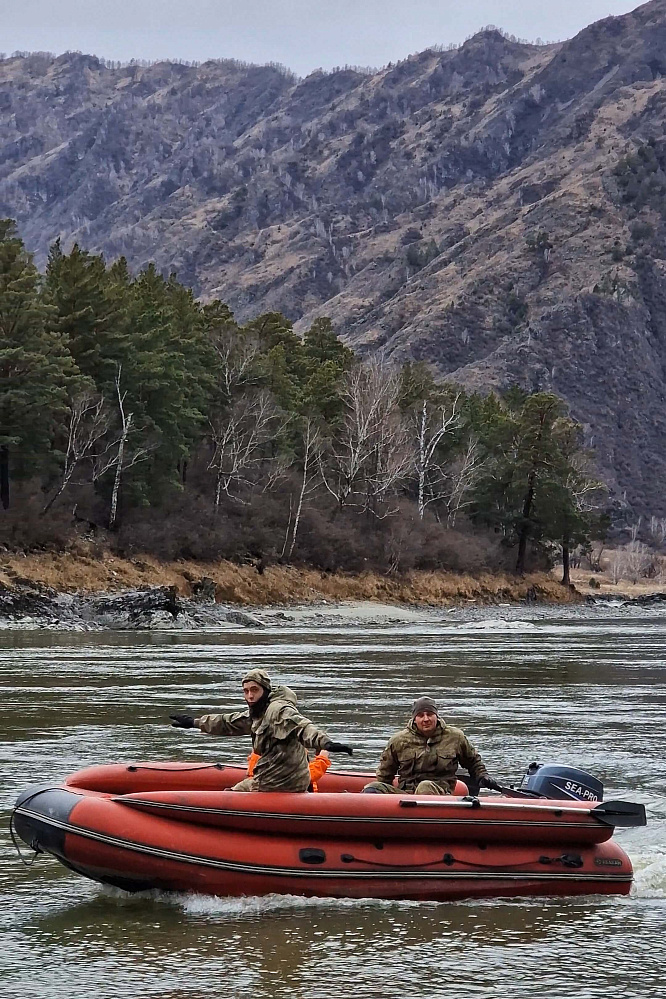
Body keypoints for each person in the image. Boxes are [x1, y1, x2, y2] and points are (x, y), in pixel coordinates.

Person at [169, 668, 352, 792]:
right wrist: (194, 723)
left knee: (231, 796)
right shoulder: (258, 713)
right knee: (236, 790)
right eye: (246, 691)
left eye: (254, 690)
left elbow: (302, 726)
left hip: (279, 783)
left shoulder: (278, 710)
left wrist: (326, 743)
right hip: (274, 779)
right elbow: (228, 723)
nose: (250, 695)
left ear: (265, 690)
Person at [362, 695, 501, 795]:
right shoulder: (398, 741)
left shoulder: (455, 737)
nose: (426, 719)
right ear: (414, 719)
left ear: (436, 716)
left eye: (429, 714)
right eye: (421, 715)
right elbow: (385, 774)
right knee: (373, 787)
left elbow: (473, 762)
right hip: (406, 795)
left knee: (425, 787)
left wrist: (482, 776)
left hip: (440, 794)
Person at [247, 748, 331, 791]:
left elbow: (252, 772)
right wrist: (322, 759)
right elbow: (305, 776)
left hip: (264, 788)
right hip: (287, 792)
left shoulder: (264, 744)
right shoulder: (287, 750)